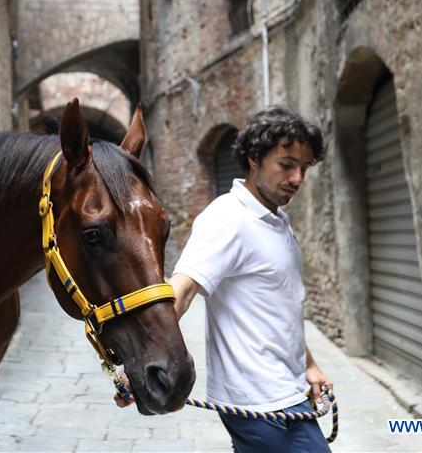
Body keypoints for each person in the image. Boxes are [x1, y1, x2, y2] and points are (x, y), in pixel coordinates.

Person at [116, 106, 333, 453]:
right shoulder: (228, 218)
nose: (297, 178)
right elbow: (182, 289)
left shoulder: (277, 220)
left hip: (286, 393)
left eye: (304, 168)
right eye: (286, 164)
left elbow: (280, 308)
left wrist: (310, 366)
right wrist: (139, 360)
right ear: (254, 159)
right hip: (261, 403)